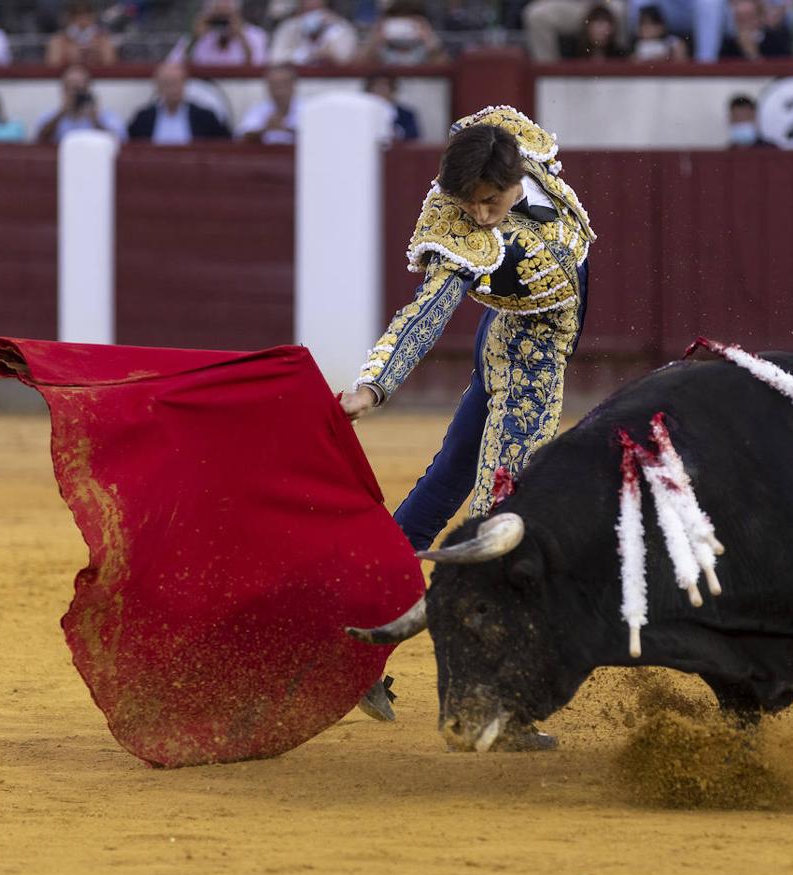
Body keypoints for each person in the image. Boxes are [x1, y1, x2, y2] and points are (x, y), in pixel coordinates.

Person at [341, 110, 595, 744]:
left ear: (515, 174)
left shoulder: (517, 147)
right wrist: (377, 384)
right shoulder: (463, 227)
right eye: (470, 204)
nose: (481, 216)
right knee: (498, 533)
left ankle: (354, 648)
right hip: (524, 359)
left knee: (447, 482)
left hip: (514, 337)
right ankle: (490, 708)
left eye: (491, 200)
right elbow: (427, 311)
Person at [128, 63, 232, 144]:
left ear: (185, 85)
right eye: (167, 83)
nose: (172, 89)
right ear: (158, 88)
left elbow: (226, 144)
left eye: (176, 83)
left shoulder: (205, 118)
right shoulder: (143, 119)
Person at [34, 65, 128, 144]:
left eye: (79, 88)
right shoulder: (49, 117)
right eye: (69, 87)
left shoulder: (107, 117)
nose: (74, 93)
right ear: (63, 90)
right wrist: (61, 113)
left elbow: (119, 143)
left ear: (88, 89)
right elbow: (39, 142)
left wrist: (95, 120)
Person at [167, 0, 269, 66]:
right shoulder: (198, 35)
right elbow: (174, 68)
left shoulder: (257, 35)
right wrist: (194, 39)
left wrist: (241, 37)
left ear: (237, 14)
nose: (223, 23)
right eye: (219, 16)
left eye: (227, 17)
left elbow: (258, 71)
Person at [522, 0, 629, 61]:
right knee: (536, 15)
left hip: (603, 3)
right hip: (572, 6)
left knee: (619, 9)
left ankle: (622, 64)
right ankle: (548, 74)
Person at [629, 0, 732, 63]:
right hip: (669, 8)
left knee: (710, 2)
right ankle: (642, 53)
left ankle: (705, 67)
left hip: (702, 10)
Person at [357, 1, 450, 65]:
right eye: (398, 17)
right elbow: (358, 64)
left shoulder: (426, 41)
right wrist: (375, 39)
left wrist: (428, 37)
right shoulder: (380, 42)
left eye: (407, 17)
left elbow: (444, 64)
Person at [268, 0, 359, 65]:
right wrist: (305, 55)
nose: (311, 2)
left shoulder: (342, 27)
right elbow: (276, 59)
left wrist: (330, 55)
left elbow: (347, 60)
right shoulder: (288, 28)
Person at [235, 64, 299, 144]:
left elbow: (316, 136)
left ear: (293, 85)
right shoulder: (257, 110)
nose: (279, 90)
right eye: (274, 85)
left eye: (284, 84)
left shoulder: (307, 109)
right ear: (268, 87)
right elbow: (240, 137)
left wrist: (286, 128)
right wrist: (265, 128)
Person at [45, 1, 117, 67]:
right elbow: (53, 65)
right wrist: (67, 55)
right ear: (68, 18)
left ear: (93, 17)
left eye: (87, 15)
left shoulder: (103, 40)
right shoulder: (58, 40)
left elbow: (110, 64)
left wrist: (96, 55)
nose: (82, 19)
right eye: (77, 15)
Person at [719, 0, 792, 59]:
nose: (745, 25)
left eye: (748, 18)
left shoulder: (776, 41)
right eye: (740, 20)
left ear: (760, 18)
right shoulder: (729, 45)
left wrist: (753, 54)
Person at [365, 73, 421, 142]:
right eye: (376, 86)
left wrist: (397, 132)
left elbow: (414, 139)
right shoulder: (362, 114)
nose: (381, 89)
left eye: (385, 85)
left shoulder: (406, 115)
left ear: (393, 89)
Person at [564, 4, 631, 57]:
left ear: (612, 29)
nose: (600, 30)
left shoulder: (620, 55)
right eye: (597, 25)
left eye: (604, 24)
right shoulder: (574, 53)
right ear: (587, 28)